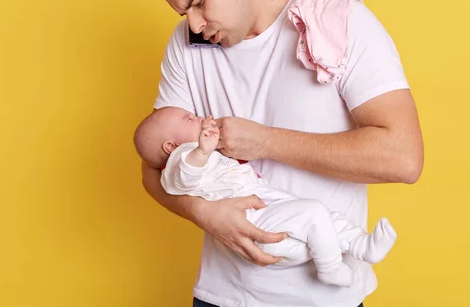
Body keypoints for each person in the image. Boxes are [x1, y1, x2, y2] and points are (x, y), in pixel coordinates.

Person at [141, 0, 424, 307]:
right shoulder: (186, 45)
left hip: (325, 298)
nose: (194, 23)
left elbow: (404, 157)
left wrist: (266, 141)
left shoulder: (338, 23)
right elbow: (155, 162)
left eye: (199, 2)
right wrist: (202, 212)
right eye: (183, 13)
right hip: (221, 296)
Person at [134, 106, 398, 288]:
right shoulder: (181, 161)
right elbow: (186, 176)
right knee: (314, 214)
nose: (197, 117)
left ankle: (361, 245)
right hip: (253, 221)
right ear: (171, 146)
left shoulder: (202, 153)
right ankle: (330, 267)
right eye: (188, 119)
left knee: (324, 219)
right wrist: (202, 150)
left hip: (264, 210)